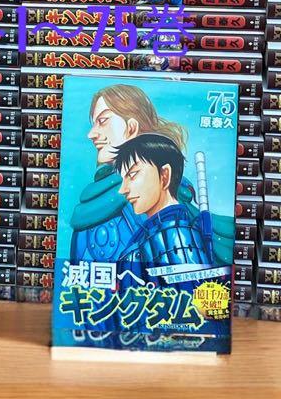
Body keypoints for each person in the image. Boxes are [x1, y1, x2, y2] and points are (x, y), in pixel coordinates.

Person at [68, 85, 188, 264]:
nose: (91, 134)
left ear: (131, 128)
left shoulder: (164, 196)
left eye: (103, 121)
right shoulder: (96, 203)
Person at [113, 132, 215, 284]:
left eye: (132, 175)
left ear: (164, 175)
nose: (122, 190)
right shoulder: (154, 233)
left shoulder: (176, 236)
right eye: (123, 179)